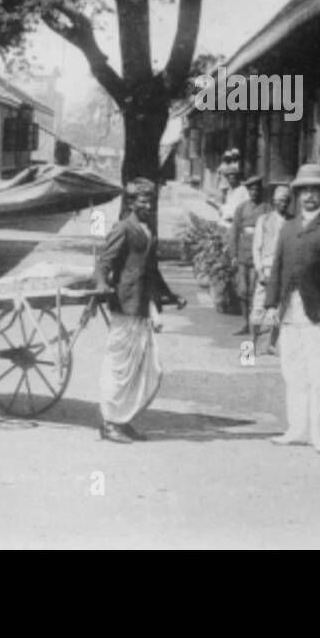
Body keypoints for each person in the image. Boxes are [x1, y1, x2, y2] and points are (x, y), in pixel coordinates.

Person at [262, 164, 320, 454]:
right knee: (293, 372)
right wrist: (272, 304)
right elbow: (277, 267)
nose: (309, 197)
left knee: (319, 375)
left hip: (317, 314)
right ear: (297, 195)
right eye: (304, 191)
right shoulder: (288, 227)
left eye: (316, 191)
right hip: (289, 312)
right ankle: (296, 429)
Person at [94, 178, 186, 443]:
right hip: (125, 305)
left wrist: (170, 295)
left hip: (142, 305)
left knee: (140, 368)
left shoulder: (147, 230)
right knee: (119, 365)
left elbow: (152, 271)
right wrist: (101, 284)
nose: (148, 206)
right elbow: (104, 261)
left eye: (151, 201)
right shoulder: (123, 228)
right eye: (143, 201)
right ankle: (110, 422)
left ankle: (124, 420)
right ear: (131, 203)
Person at [251, 184, 291, 355]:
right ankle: (248, 350)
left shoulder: (293, 222)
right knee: (257, 310)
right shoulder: (264, 219)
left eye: (287, 201)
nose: (284, 204)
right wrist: (259, 269)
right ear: (274, 201)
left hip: (283, 271)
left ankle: (272, 345)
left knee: (281, 310)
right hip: (266, 269)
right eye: (281, 200)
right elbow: (256, 246)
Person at [229, 175, 268, 336]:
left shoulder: (267, 208)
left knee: (255, 292)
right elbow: (234, 232)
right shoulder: (241, 208)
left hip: (259, 256)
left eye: (257, 190)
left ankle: (255, 324)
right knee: (243, 291)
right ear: (248, 191)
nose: (254, 193)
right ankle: (245, 323)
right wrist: (233, 254)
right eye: (251, 190)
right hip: (243, 255)